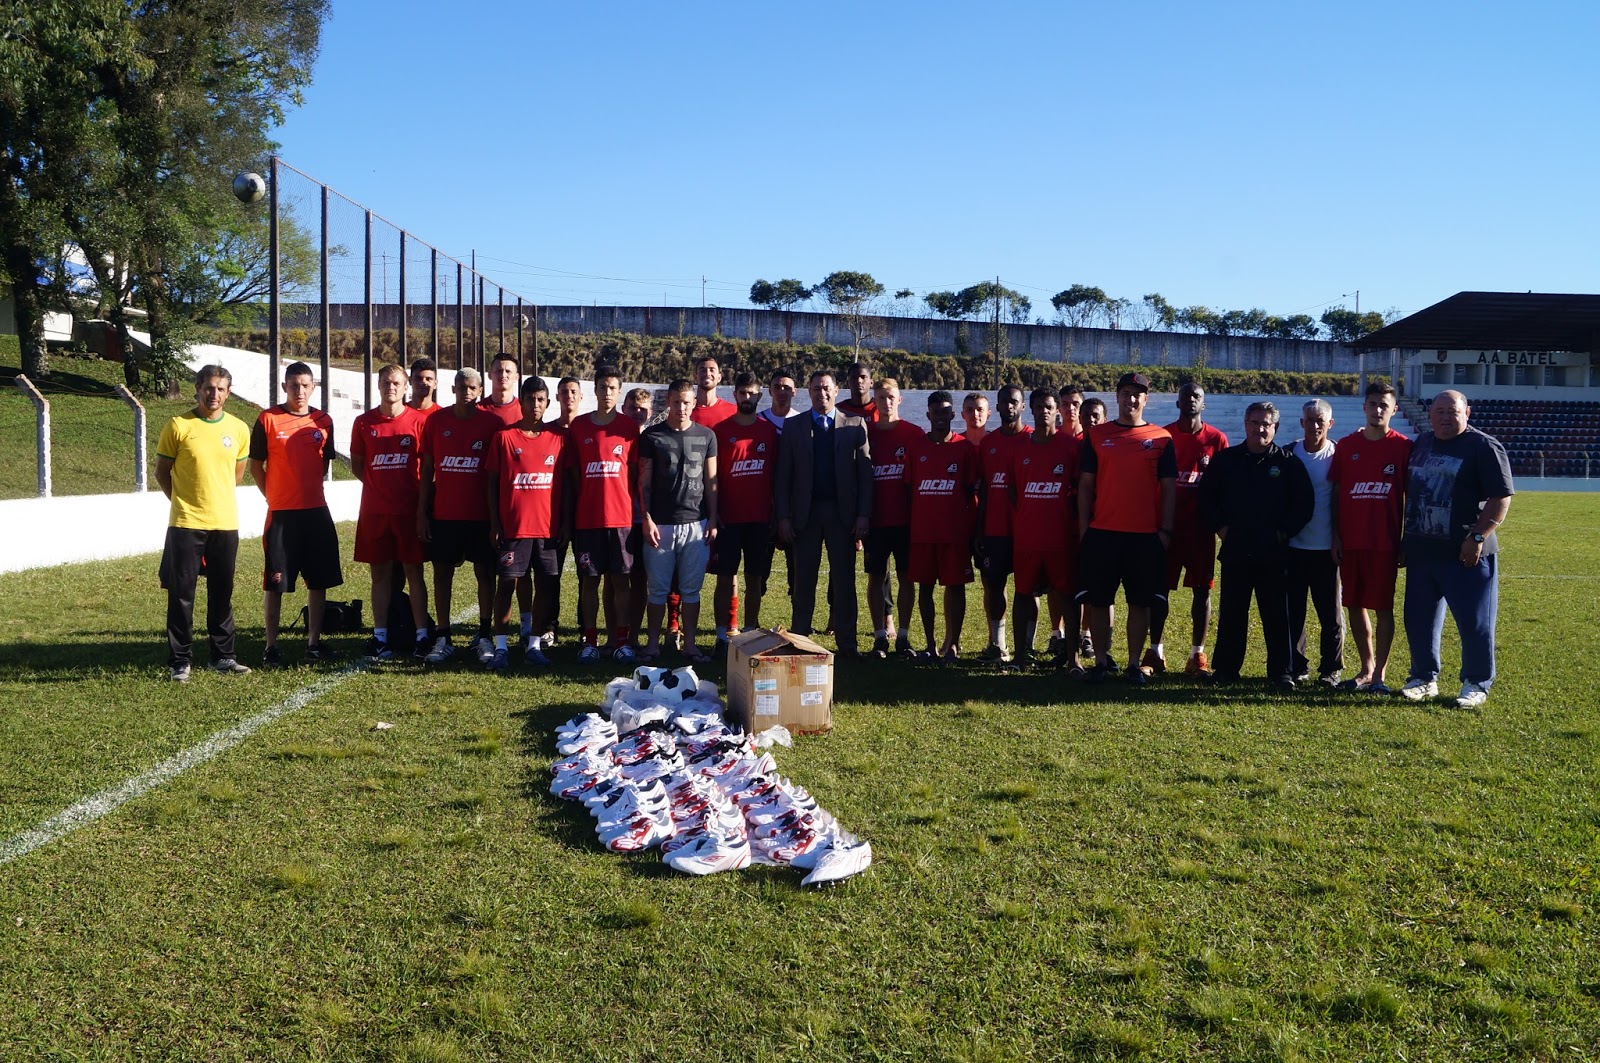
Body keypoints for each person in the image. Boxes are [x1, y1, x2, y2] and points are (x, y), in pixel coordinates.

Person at [1398, 390, 1513, 709]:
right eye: (1439, 411)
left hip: (1466, 553)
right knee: (1418, 619)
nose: (1445, 417)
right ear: (1430, 413)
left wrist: (1477, 538)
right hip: (1422, 551)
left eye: (1453, 411)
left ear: (1467, 412)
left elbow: (1501, 497)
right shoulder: (1422, 443)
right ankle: (1423, 678)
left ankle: (1477, 682)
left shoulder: (1483, 446)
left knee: (1475, 622)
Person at [1199, 402, 1313, 690]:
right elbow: (1206, 499)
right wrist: (1222, 529)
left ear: (1275, 427)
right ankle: (1225, 670)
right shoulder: (1226, 460)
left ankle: (1282, 672)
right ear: (1245, 423)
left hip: (1274, 553)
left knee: (1277, 615)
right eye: (1254, 422)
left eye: (1266, 424)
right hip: (1236, 549)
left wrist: (1283, 533)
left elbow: (1304, 504)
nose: (1260, 428)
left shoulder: (1288, 463)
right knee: (1233, 614)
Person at [1076, 373, 1176, 685]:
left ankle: (1134, 664)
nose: (1131, 399)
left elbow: (1169, 488)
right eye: (1126, 393)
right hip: (1103, 532)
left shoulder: (1161, 438)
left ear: (1146, 399)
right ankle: (1103, 661)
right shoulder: (1096, 436)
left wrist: (1165, 531)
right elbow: (1085, 486)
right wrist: (1084, 529)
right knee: (1100, 601)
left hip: (1144, 536)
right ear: (1117, 396)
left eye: (1138, 394)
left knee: (1140, 602)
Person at [155, 365, 252, 681]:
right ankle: (180, 660)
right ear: (197, 388)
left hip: (224, 523)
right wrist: (183, 502)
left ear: (228, 392)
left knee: (222, 591)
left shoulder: (238, 429)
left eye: (221, 389)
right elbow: (162, 472)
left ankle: (223, 656)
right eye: (209, 388)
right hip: (186, 522)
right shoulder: (178, 425)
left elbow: (235, 476)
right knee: (182, 593)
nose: (215, 394)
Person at [250, 360, 342, 667]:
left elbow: (324, 464)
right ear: (284, 387)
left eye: (305, 385)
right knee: (275, 583)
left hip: (316, 512)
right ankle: (271, 646)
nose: (299, 391)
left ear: (313, 387)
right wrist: (273, 497)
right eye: (294, 385)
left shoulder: (324, 421)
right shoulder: (268, 419)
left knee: (318, 582)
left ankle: (313, 643)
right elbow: (255, 466)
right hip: (282, 516)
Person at [775, 369, 873, 655]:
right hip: (805, 516)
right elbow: (783, 477)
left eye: (827, 388)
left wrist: (863, 514)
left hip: (842, 517)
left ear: (837, 390)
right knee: (803, 582)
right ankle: (799, 641)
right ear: (809, 391)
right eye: (817, 389)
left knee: (844, 582)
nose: (822, 393)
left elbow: (865, 476)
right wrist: (783, 516)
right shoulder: (794, 426)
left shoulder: (855, 424)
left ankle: (848, 643)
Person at [485, 376, 574, 670]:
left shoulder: (559, 440)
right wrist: (495, 522)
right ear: (520, 401)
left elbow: (564, 486)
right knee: (506, 584)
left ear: (547, 403)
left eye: (540, 400)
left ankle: (534, 644)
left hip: (548, 530)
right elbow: (492, 483)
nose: (535, 405)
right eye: (530, 399)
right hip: (514, 528)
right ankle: (500, 647)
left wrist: (564, 523)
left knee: (546, 586)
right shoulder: (504, 437)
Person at [1327, 382, 1411, 694]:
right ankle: (1366, 667)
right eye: (1372, 403)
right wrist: (1336, 536)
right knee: (1354, 604)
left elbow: (1411, 499)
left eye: (1383, 405)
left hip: (1385, 543)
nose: (1377, 410)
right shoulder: (1347, 446)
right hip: (1351, 542)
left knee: (1383, 607)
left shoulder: (1403, 448)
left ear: (1394, 410)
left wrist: (1405, 540)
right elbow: (1336, 493)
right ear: (1364, 407)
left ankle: (1381, 676)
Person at [417, 367, 500, 665]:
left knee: (485, 574)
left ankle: (484, 634)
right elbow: (427, 469)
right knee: (442, 575)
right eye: (461, 387)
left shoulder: (492, 423)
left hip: (480, 516)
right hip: (444, 515)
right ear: (452, 389)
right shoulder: (436, 422)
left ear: (480, 391)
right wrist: (422, 513)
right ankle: (443, 636)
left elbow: (497, 474)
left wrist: (496, 519)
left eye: (472, 388)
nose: (466, 392)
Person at [350, 364, 432, 661]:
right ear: (379, 385)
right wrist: (379, 487)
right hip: (375, 513)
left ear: (406, 386)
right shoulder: (364, 422)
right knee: (380, 575)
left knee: (414, 572)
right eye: (386, 382)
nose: (391, 387)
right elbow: (358, 465)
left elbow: (426, 471)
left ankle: (422, 635)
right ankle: (380, 636)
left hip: (409, 512)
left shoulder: (419, 423)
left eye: (396, 382)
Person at [1152, 382, 1229, 676]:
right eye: (1186, 396)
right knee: (1159, 591)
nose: (1191, 400)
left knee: (1202, 593)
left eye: (1197, 396)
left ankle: (1197, 655)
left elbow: (1222, 487)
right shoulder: (1164, 437)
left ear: (1204, 404)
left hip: (1201, 532)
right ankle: (1155, 653)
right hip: (1167, 529)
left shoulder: (1216, 439)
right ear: (1177, 403)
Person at [639, 380, 719, 661]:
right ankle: (651, 644)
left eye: (686, 402)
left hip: (696, 523)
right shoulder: (652, 436)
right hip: (661, 524)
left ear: (694, 403)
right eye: (676, 402)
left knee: (691, 590)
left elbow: (711, 481)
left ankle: (691, 644)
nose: (681, 407)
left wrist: (713, 519)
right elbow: (644, 483)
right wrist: (646, 519)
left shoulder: (707, 436)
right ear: (668, 403)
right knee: (658, 589)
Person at [570, 365, 640, 663]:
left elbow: (634, 473)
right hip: (588, 519)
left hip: (621, 519)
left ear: (619, 391)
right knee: (590, 581)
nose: (607, 392)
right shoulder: (580, 426)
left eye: (613, 387)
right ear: (595, 390)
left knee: (621, 581)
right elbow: (573, 475)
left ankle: (621, 641)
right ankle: (589, 641)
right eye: (603, 387)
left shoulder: (628, 428)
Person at [1008, 386, 1080, 671]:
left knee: (1067, 596)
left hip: (1060, 538)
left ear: (1057, 410)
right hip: (1027, 537)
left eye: (1049, 407)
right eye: (1038, 407)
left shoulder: (1070, 447)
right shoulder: (1020, 447)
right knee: (1023, 594)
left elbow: (1079, 491)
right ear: (1032, 409)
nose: (1044, 411)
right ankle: (1020, 657)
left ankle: (1073, 659)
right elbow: (1014, 491)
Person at [907, 391, 980, 663]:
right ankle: (929, 643)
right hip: (923, 532)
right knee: (924, 588)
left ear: (953, 414)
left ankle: (953, 643)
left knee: (955, 587)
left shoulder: (965, 449)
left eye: (945, 411)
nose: (940, 416)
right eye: (935, 411)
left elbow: (971, 490)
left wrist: (971, 529)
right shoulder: (917, 448)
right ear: (928, 415)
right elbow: (909, 488)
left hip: (954, 533)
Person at [710, 373, 778, 647]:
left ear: (759, 396)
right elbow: (712, 477)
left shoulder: (769, 432)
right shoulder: (722, 430)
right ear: (735, 395)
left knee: (754, 578)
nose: (747, 398)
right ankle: (720, 635)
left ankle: (749, 632)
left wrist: (775, 512)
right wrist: (715, 512)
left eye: (752, 393)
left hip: (760, 519)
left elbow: (776, 475)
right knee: (724, 577)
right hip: (729, 519)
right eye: (742, 393)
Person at [1284, 399, 1344, 686]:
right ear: (1301, 422)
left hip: (1326, 550)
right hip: (1294, 548)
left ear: (1330, 424)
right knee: (1293, 612)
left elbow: (1343, 502)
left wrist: (1338, 539)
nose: (1315, 425)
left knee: (1330, 615)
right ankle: (1297, 665)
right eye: (1310, 420)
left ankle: (1331, 669)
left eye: (1321, 421)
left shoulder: (1339, 456)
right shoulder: (1288, 454)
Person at [864, 378, 923, 658]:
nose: (886, 403)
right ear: (874, 400)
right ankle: (879, 636)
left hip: (905, 520)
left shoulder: (913, 434)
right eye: (881, 397)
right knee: (876, 577)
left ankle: (903, 635)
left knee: (906, 577)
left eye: (891, 398)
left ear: (899, 400)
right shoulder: (866, 433)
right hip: (875, 521)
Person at [973, 385, 1031, 663]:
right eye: (1004, 402)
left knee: (1028, 589)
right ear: (996, 407)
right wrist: (980, 527)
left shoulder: (1033, 440)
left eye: (1014, 402)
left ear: (1023, 406)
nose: (1009, 406)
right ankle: (998, 644)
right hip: (995, 530)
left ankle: (1027, 646)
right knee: (994, 587)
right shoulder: (988, 443)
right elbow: (983, 489)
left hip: (1026, 530)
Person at [621, 387, 656, 651]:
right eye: (633, 407)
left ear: (651, 412)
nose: (637, 412)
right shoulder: (617, 435)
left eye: (643, 408)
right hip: (619, 517)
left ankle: (634, 634)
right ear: (624, 408)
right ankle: (616, 635)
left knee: (642, 579)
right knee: (616, 578)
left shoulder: (652, 438)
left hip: (646, 519)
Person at [690, 355, 736, 428]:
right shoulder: (685, 411)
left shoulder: (734, 412)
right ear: (695, 377)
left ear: (719, 377)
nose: (707, 374)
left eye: (712, 370)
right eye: (703, 370)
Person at [479, 354, 523, 427]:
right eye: (499, 371)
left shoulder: (524, 410)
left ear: (516, 377)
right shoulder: (477, 410)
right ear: (490, 375)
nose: (503, 375)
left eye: (508, 371)